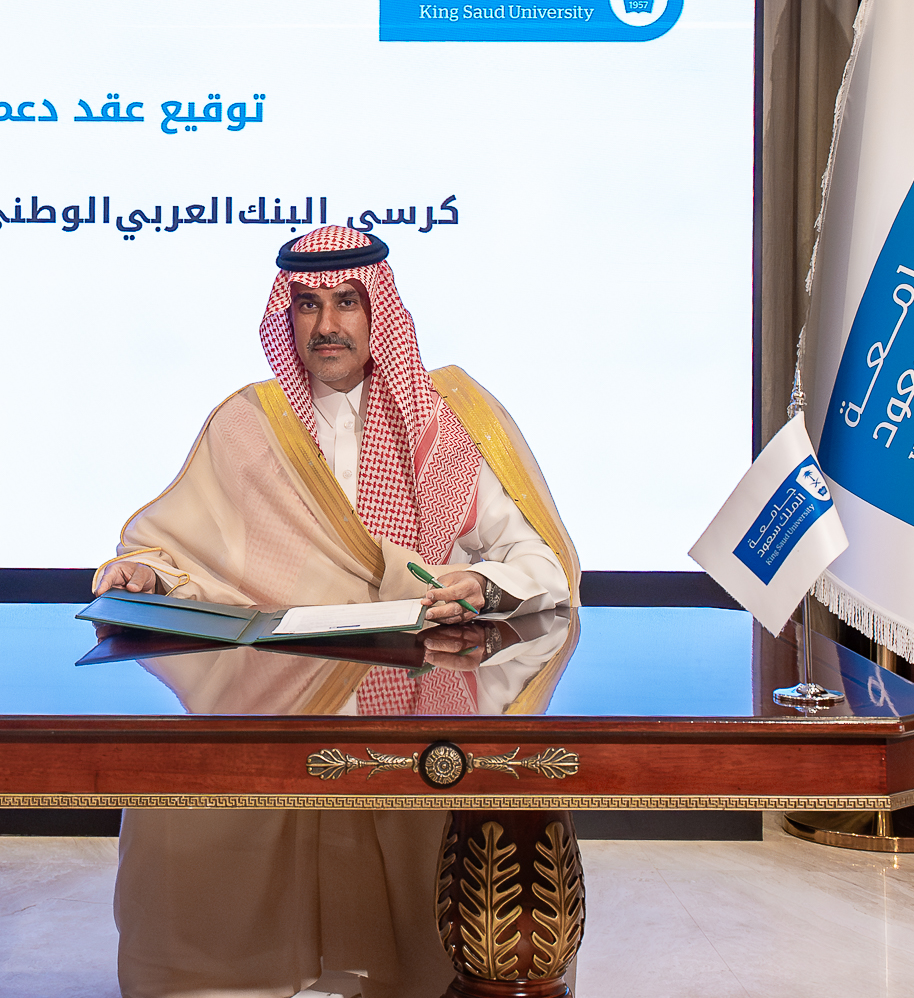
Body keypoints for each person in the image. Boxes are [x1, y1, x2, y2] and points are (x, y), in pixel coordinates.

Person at [93, 225, 579, 998]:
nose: (327, 325)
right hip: (276, 679)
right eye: (308, 305)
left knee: (463, 789)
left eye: (347, 301)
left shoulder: (446, 420)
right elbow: (186, 551)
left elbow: (540, 566)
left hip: (416, 676)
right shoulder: (250, 424)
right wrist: (146, 573)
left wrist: (480, 585)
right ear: (284, 317)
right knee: (181, 795)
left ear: (377, 309)